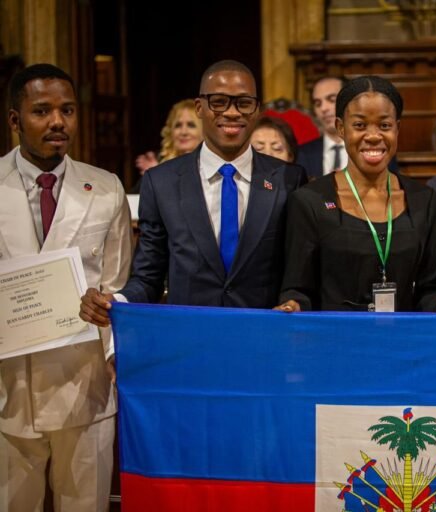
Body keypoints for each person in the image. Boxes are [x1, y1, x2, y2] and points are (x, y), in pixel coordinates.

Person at [80, 60, 307, 324]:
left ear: (257, 109)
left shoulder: (289, 179)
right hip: (189, 341)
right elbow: (148, 277)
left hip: (265, 338)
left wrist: (296, 301)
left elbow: (298, 273)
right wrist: (116, 302)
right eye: (219, 101)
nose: (233, 112)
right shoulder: (161, 182)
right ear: (199, 107)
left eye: (243, 102)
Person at [0, 64, 132, 511]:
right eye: (42, 111)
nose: (58, 122)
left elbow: (118, 284)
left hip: (84, 385)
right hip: (7, 388)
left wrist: (109, 314)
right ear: (15, 120)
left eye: (67, 110)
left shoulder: (106, 188)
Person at [277, 76, 436, 313]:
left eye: (385, 126)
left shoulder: (424, 200)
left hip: (402, 343)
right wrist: (292, 305)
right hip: (335, 342)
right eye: (360, 125)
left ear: (397, 128)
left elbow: (430, 289)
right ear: (340, 128)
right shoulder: (309, 200)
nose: (374, 135)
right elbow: (298, 291)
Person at [296, 75, 398, 177]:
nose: (323, 108)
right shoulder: (302, 153)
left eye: (331, 99)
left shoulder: (377, 148)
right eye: (318, 103)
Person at [132, 98, 202, 192]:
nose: (183, 132)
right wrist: (152, 176)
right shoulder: (159, 159)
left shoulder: (212, 162)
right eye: (178, 125)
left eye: (191, 125)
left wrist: (161, 176)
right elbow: (135, 198)